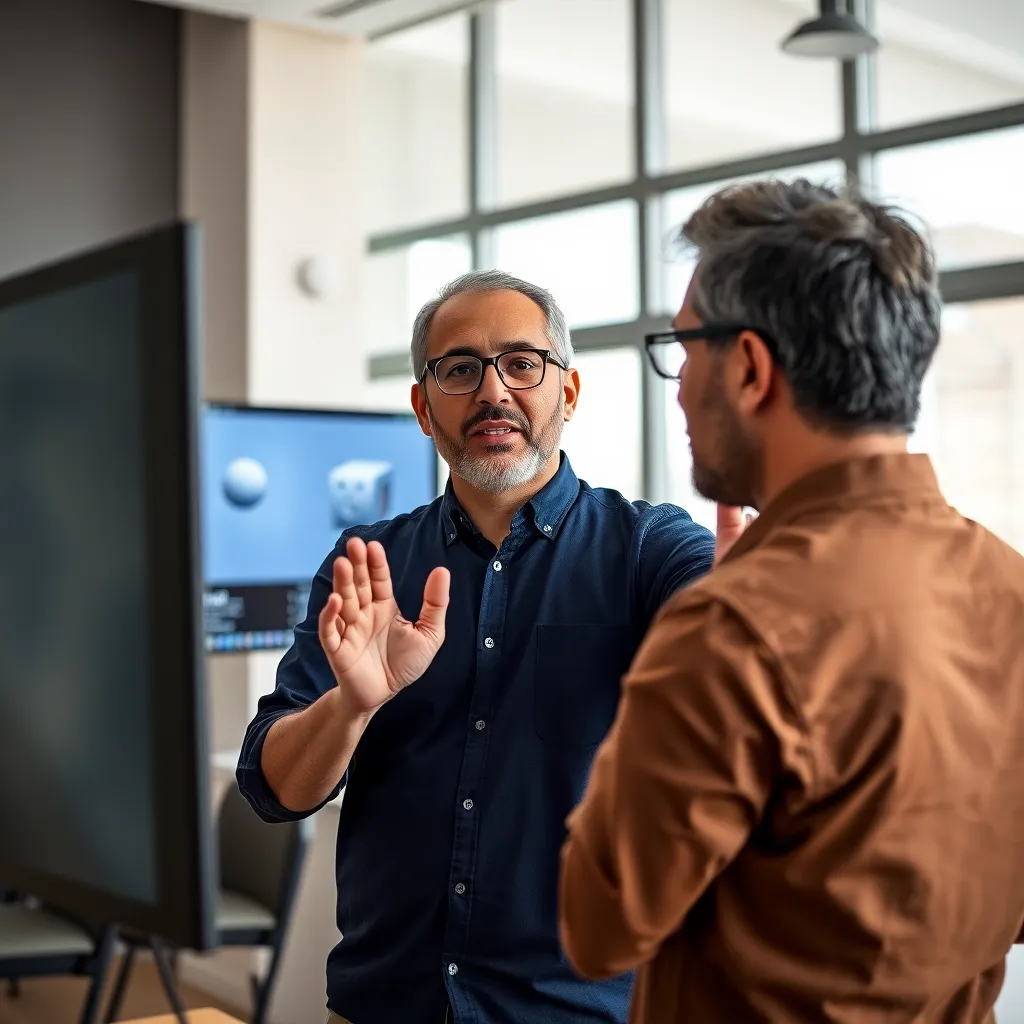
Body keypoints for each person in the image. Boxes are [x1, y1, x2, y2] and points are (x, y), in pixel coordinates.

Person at [558, 178, 1024, 1023]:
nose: (679, 387)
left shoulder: (732, 625)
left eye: (685, 349)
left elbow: (599, 926)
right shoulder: (1009, 586)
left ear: (747, 368)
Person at [236, 269, 726, 1023]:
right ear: (424, 407)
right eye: (460, 369)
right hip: (383, 1006)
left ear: (567, 392)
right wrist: (352, 706)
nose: (493, 391)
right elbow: (275, 791)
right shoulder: (369, 562)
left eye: (522, 364)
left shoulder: (647, 548)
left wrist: (757, 596)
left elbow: (731, 647)